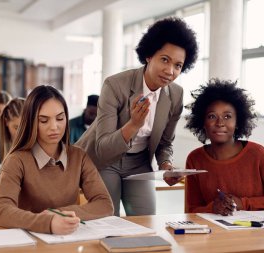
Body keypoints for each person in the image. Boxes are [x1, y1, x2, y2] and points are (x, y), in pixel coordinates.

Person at [75, 17, 198, 216]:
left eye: (178, 65)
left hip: (139, 162)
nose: (170, 71)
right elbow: (103, 147)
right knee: (108, 220)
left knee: (146, 219)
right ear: (149, 55)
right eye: (164, 60)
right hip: (104, 160)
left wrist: (166, 166)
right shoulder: (115, 85)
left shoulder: (175, 95)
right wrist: (133, 124)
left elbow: (165, 143)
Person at [0, 85, 113, 234]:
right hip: (29, 241)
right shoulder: (16, 160)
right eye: (44, 120)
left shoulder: (79, 156)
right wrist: (48, 222)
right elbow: (0, 210)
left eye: (60, 118)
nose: (54, 127)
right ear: (31, 122)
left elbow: (105, 204)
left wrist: (59, 214)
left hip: (69, 238)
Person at [184, 79, 264, 215]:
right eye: (212, 116)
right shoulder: (195, 158)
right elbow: (192, 210)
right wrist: (212, 208)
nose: (220, 123)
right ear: (203, 122)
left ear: (238, 122)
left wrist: (243, 204)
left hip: (256, 233)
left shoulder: (258, 154)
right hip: (215, 234)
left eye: (227, 116)